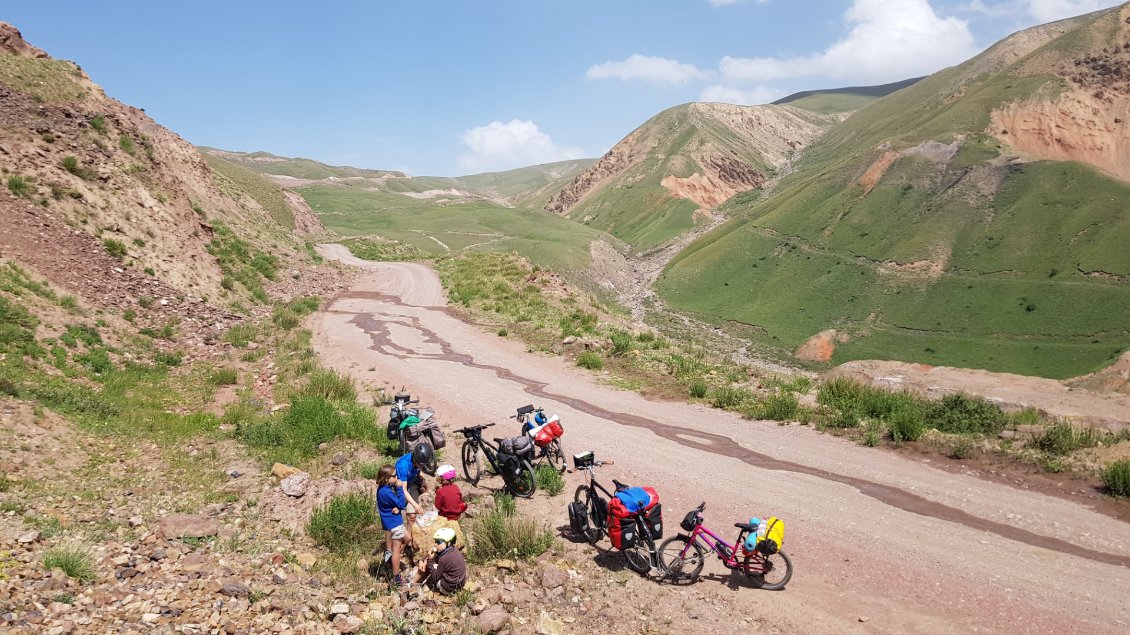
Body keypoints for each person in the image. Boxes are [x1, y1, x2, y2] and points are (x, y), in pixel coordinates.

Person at [376, 464, 410, 586]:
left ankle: (390, 559)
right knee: (396, 550)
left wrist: (395, 506)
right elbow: (401, 504)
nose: (396, 478)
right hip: (395, 523)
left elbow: (395, 504)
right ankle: (396, 577)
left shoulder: (382, 489)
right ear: (386, 478)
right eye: (394, 476)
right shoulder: (387, 492)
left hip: (390, 522)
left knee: (408, 538)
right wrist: (400, 488)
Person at [414, 527, 466, 595]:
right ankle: (415, 583)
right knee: (431, 560)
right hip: (460, 585)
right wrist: (421, 560)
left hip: (449, 589)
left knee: (430, 562)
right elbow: (431, 551)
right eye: (435, 541)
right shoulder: (453, 550)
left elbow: (435, 577)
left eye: (439, 542)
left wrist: (430, 561)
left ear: (448, 543)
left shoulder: (444, 558)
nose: (435, 544)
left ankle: (413, 584)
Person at [395, 444, 434, 529]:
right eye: (421, 464)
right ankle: (408, 539)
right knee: (411, 515)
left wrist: (423, 480)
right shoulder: (403, 465)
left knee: (413, 516)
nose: (423, 466)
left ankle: (413, 536)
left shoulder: (419, 461)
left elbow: (419, 471)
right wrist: (416, 506)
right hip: (401, 485)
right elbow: (404, 490)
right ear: (415, 459)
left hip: (412, 481)